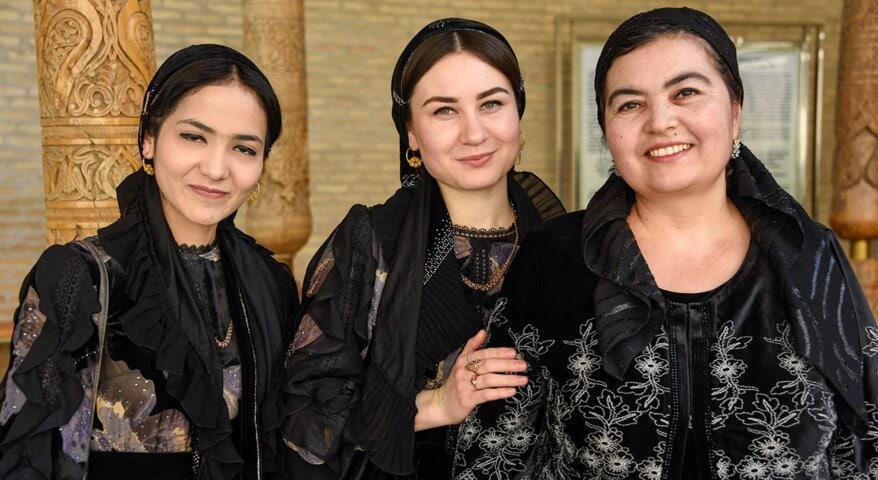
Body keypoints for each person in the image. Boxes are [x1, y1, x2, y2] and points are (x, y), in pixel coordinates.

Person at [453, 7, 878, 480]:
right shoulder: (553, 258)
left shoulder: (809, 256)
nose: (660, 121)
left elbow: (864, 440)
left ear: (735, 110)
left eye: (686, 93)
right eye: (629, 104)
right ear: (607, 130)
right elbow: (494, 453)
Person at [281, 17, 565, 479]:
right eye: (444, 111)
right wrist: (436, 404)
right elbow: (306, 412)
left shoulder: (558, 234)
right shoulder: (371, 240)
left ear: (518, 110)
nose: (474, 133)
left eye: (491, 103)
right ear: (411, 132)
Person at [0, 44, 298, 479]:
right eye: (194, 137)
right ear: (149, 140)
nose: (217, 169)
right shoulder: (80, 275)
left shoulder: (270, 281)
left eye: (244, 148)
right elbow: (31, 455)